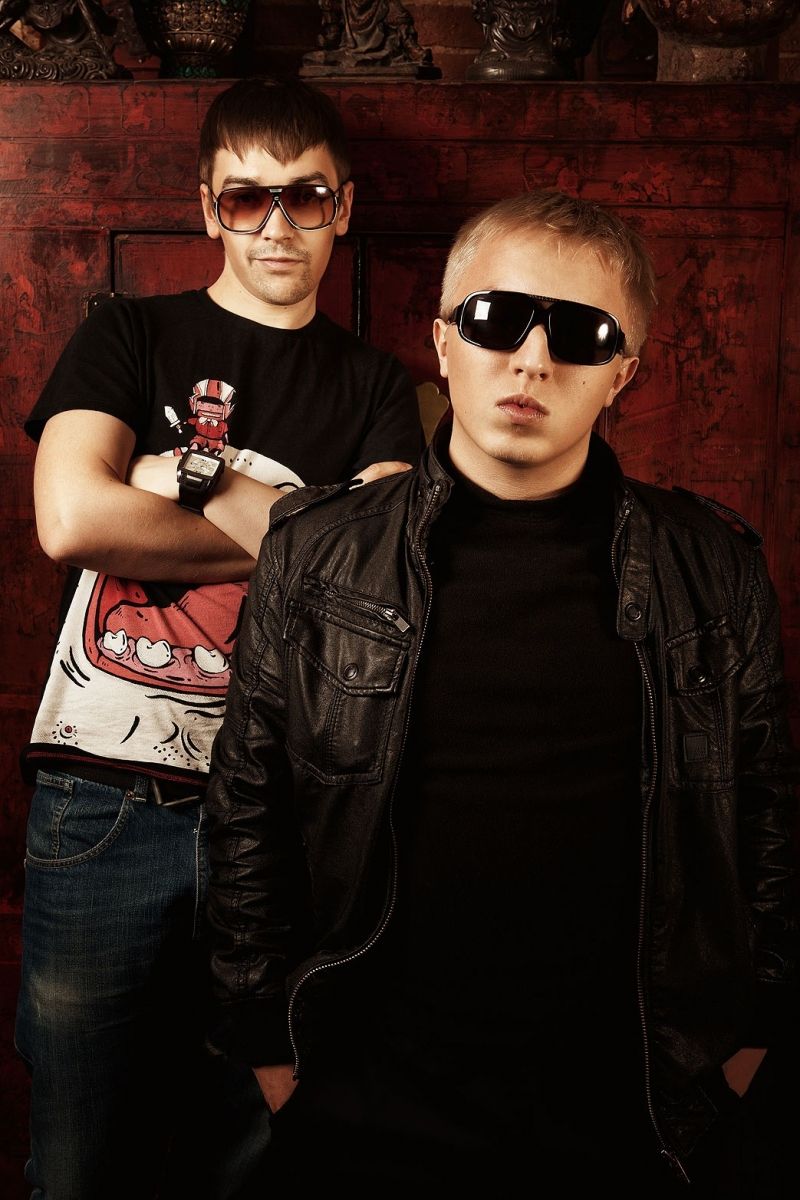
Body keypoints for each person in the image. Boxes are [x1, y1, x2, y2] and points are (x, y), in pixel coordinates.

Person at [205, 188, 799, 1195]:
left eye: (578, 334)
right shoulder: (315, 556)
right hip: (368, 1101)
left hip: (633, 1109)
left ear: (623, 373)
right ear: (443, 341)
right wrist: (274, 1055)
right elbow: (246, 811)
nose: (530, 360)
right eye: (495, 319)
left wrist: (747, 1044)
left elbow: (768, 814)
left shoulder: (713, 569)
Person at [15, 76, 423, 1200]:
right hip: (105, 799)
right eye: (247, 198)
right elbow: (73, 520)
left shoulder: (378, 388)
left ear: (344, 206)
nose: (277, 226)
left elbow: (370, 584)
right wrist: (303, 529)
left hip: (286, 817)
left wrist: (191, 474)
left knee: (252, 1159)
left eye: (306, 197)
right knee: (78, 1155)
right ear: (208, 207)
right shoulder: (128, 333)